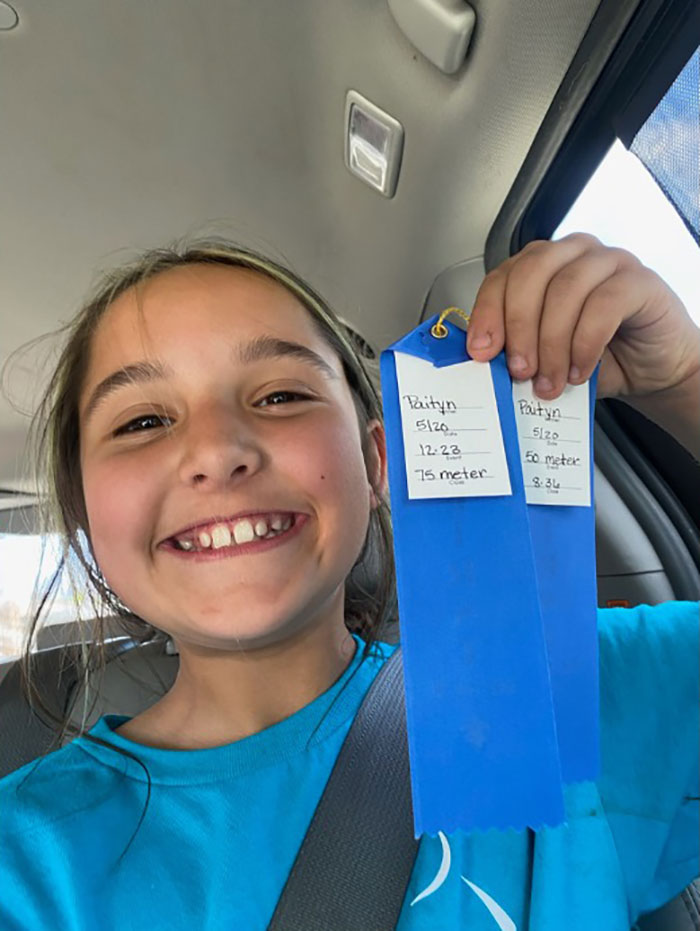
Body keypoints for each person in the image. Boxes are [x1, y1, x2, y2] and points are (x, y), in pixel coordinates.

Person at [0, 233, 697, 930]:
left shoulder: (558, 686)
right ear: (84, 505)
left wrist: (685, 381)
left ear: (378, 462)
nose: (216, 450)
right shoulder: (24, 864)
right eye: (144, 421)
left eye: (281, 395)